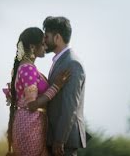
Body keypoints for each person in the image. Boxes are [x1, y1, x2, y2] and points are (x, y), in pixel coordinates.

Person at [4, 27, 70, 156]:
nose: (45, 46)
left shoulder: (25, 67)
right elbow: (32, 105)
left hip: (29, 123)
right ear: (33, 47)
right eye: (43, 43)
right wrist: (56, 87)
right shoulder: (28, 68)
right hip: (30, 126)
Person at [41, 16, 87, 156]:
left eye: (46, 36)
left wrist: (59, 139)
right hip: (55, 138)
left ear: (57, 38)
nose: (44, 40)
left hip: (63, 142)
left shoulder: (72, 63)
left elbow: (70, 106)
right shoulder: (60, 60)